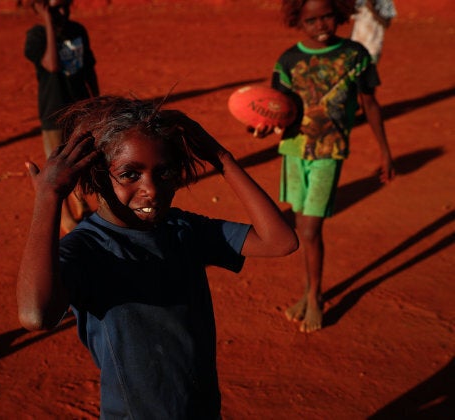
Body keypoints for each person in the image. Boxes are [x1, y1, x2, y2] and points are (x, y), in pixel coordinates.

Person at [17, 95, 298, 418]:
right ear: (96, 176)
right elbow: (35, 316)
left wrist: (221, 157)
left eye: (164, 173)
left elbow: (280, 241)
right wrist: (47, 199)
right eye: (130, 174)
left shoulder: (182, 229)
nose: (151, 189)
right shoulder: (86, 249)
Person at [252, 0, 395, 334]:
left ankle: (315, 297)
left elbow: (370, 104)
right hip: (293, 150)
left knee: (311, 230)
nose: (321, 25)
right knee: (303, 228)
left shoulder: (355, 55)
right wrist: (260, 126)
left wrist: (386, 152)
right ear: (298, 21)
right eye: (311, 20)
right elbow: (277, 109)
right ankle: (306, 291)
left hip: (329, 152)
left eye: (327, 16)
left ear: (340, 14)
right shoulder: (288, 59)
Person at [24, 0, 100, 233]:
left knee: (82, 157)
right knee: (58, 164)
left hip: (80, 109)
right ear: (42, 8)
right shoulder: (36, 36)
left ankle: (81, 202)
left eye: (66, 5)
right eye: (55, 7)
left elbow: (88, 69)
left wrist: (97, 102)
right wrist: (47, 21)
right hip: (53, 112)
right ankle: (65, 217)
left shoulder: (78, 30)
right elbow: (52, 65)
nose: (63, 12)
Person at [351, 0, 396, 64]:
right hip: (356, 48)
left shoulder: (386, 2)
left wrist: (372, 9)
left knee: (368, 72)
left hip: (372, 49)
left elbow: (386, 24)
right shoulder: (360, 2)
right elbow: (356, 23)